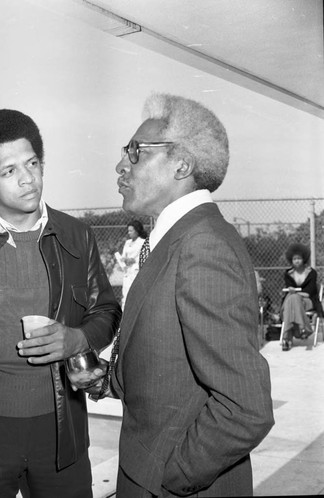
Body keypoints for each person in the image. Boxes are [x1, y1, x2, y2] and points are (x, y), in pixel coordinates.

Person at [91, 92, 274, 497]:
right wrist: (105, 379)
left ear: (183, 165)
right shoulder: (174, 240)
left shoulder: (201, 246)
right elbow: (172, 373)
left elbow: (245, 408)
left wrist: (173, 477)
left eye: (137, 151)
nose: (122, 164)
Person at [0, 109, 121, 498]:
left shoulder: (76, 234)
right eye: (9, 171)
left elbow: (107, 310)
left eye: (32, 163)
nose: (28, 179)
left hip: (62, 428)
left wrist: (77, 339)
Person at [280, 242, 323, 351]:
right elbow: (289, 289)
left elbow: (309, 292)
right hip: (293, 302)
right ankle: (303, 328)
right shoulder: (288, 274)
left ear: (304, 259)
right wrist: (294, 293)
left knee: (292, 299)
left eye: (299, 258)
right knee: (292, 299)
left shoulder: (311, 273)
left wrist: (296, 292)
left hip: (307, 301)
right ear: (291, 260)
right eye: (294, 259)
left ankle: (287, 339)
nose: (297, 261)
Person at [116, 220, 147, 308]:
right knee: (125, 296)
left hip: (136, 273)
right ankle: (124, 316)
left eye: (131, 231)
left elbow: (143, 258)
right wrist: (123, 260)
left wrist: (133, 260)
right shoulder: (127, 242)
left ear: (137, 231)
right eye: (128, 230)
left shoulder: (143, 242)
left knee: (137, 296)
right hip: (127, 273)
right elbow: (123, 256)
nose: (128, 233)